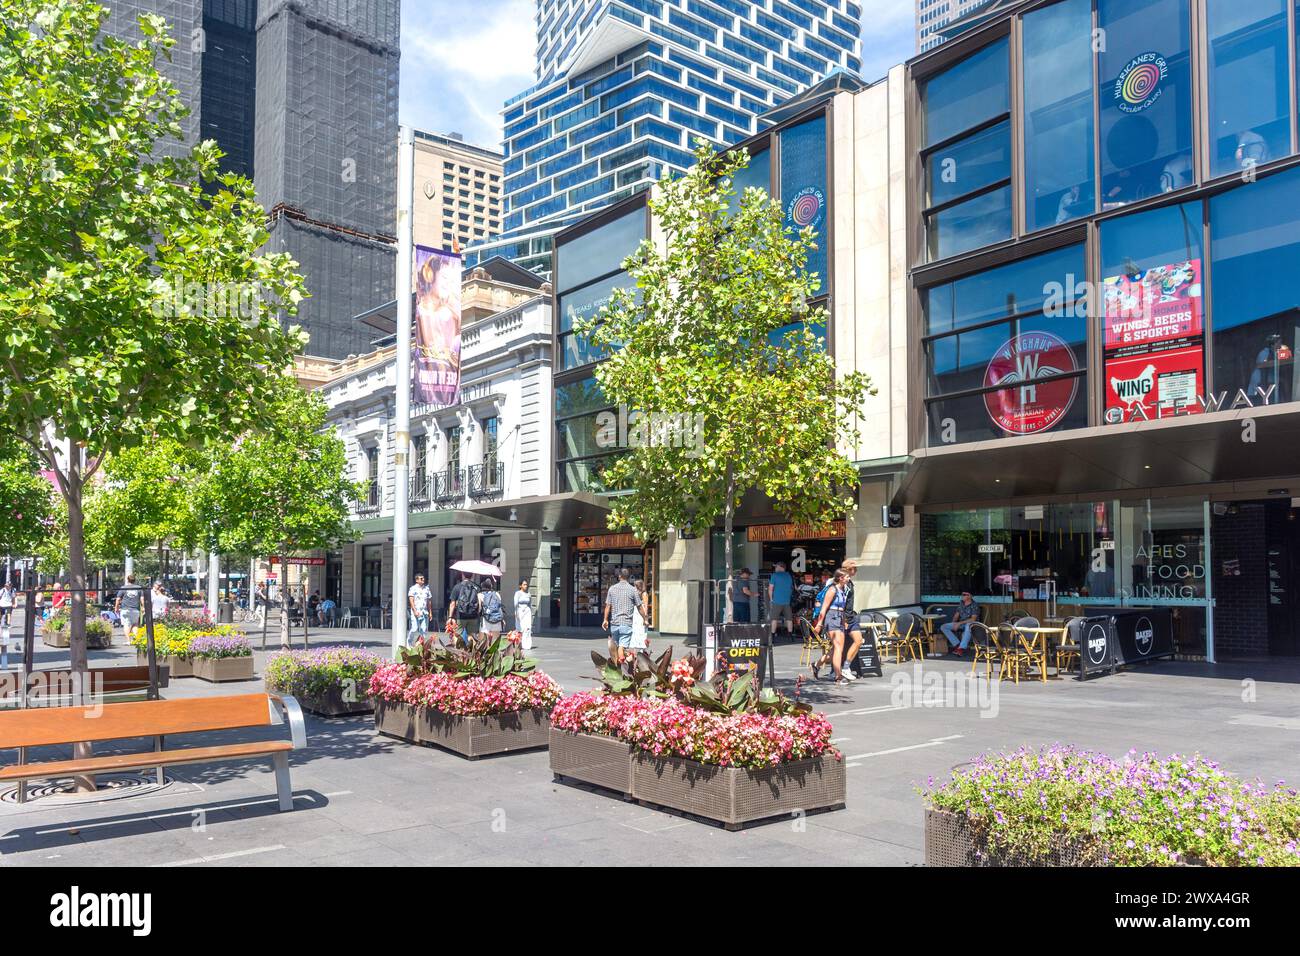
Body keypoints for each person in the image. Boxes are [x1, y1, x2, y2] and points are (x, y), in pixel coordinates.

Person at [811, 569, 853, 684]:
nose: (849, 578)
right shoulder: (832, 589)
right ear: (840, 578)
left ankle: (816, 665)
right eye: (847, 577)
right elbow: (823, 608)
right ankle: (838, 676)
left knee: (836, 649)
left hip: (839, 618)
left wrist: (844, 621)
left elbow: (843, 608)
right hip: (832, 618)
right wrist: (819, 624)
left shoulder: (844, 590)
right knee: (838, 648)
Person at [601, 566, 643, 664]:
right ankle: (622, 665)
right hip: (626, 623)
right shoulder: (633, 590)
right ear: (628, 577)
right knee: (622, 646)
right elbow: (639, 606)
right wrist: (645, 618)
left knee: (616, 646)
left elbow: (608, 606)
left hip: (615, 623)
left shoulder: (612, 589)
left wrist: (605, 619)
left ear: (619, 576)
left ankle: (617, 664)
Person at [838, 560, 865, 677]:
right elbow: (841, 603)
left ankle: (846, 667)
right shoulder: (843, 584)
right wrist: (844, 619)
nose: (856, 570)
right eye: (854, 568)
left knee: (858, 641)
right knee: (837, 649)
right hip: (845, 618)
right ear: (848, 569)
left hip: (851, 617)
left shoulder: (849, 582)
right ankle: (818, 665)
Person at [942, 591, 981, 657]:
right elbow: (956, 615)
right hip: (961, 624)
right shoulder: (961, 603)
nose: (962, 596)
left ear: (970, 596)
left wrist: (959, 623)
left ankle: (961, 648)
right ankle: (957, 645)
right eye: (962, 594)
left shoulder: (974, 605)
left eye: (965, 594)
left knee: (968, 625)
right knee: (944, 627)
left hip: (972, 625)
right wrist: (954, 623)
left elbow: (973, 619)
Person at [447, 572, 481, 641]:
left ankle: (458, 650)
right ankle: (471, 651)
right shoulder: (477, 587)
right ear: (472, 576)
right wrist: (478, 613)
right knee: (472, 636)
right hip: (473, 616)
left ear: (462, 575)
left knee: (457, 635)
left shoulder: (457, 587)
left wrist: (450, 617)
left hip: (461, 616)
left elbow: (452, 603)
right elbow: (480, 602)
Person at [768, 561, 794, 639]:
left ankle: (772, 635)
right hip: (787, 601)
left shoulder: (774, 575)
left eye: (776, 567)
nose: (775, 568)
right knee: (789, 619)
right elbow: (791, 587)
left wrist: (771, 599)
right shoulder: (789, 575)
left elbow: (770, 588)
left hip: (777, 601)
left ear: (780, 567)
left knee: (774, 619)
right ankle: (790, 635)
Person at [406, 573, 432, 644]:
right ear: (417, 580)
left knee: (424, 630)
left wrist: (430, 613)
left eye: (423, 578)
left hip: (424, 612)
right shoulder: (413, 588)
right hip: (416, 611)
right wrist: (414, 611)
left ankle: (420, 644)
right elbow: (411, 600)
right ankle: (409, 642)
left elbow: (429, 601)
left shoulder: (427, 589)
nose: (423, 579)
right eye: (421, 578)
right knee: (414, 628)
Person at [115, 574, 142, 639]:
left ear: (127, 580)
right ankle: (136, 640)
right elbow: (142, 598)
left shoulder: (123, 588)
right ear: (135, 580)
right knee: (135, 624)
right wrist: (143, 607)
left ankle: (128, 640)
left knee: (127, 624)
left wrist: (116, 607)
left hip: (125, 609)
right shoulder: (139, 588)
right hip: (136, 609)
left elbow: (118, 599)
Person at [513, 579, 534, 650]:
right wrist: (516, 613)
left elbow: (530, 604)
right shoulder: (517, 593)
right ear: (520, 586)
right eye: (524, 584)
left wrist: (530, 613)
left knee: (527, 628)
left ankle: (527, 644)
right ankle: (519, 643)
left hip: (527, 612)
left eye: (526, 584)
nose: (526, 586)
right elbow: (515, 604)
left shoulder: (528, 594)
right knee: (520, 628)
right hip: (520, 611)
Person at [630, 578, 649, 650]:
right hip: (636, 613)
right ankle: (635, 644)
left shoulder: (644, 594)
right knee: (635, 629)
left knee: (641, 629)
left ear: (639, 586)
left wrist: (646, 617)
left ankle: (641, 646)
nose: (634, 587)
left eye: (636, 585)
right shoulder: (636, 593)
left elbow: (645, 605)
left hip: (641, 613)